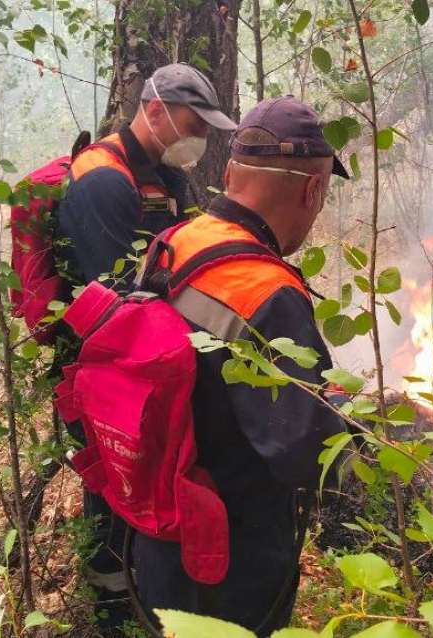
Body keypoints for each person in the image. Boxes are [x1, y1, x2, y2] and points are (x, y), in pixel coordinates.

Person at [132, 96, 350, 635]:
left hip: (158, 531)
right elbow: (311, 456)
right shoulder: (267, 292)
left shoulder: (174, 241)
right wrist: (352, 417)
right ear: (313, 190)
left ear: (229, 174)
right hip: (227, 560)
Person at [54, 63, 237, 636]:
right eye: (193, 124)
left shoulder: (167, 177)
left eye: (207, 130)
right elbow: (112, 299)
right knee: (113, 488)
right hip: (106, 374)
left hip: (151, 366)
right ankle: (111, 612)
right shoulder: (103, 181)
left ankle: (149, 598)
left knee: (152, 484)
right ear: (155, 110)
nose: (199, 140)